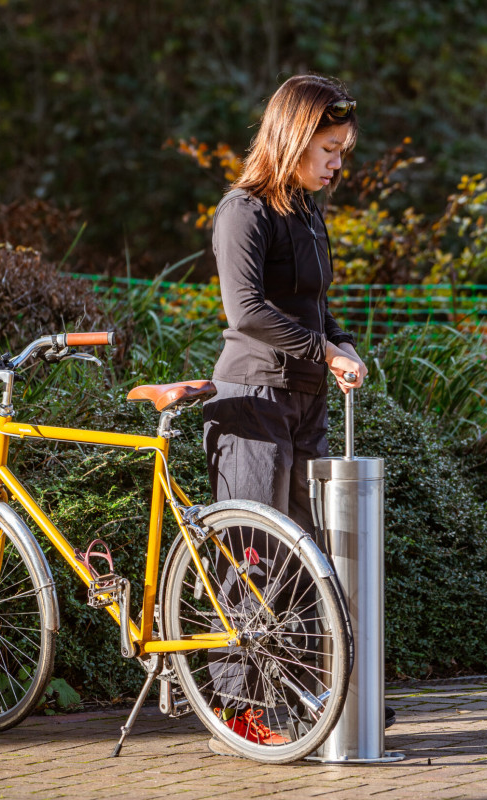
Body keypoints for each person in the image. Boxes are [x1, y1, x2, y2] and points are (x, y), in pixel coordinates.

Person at [202, 74, 377, 750]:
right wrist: (321, 350)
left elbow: (315, 309)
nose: (338, 163)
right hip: (253, 400)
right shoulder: (243, 211)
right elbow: (245, 312)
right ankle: (234, 713)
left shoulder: (306, 211)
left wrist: (344, 346)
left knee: (310, 560)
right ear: (295, 139)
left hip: (305, 401)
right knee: (255, 558)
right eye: (330, 149)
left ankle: (312, 703)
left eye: (343, 150)